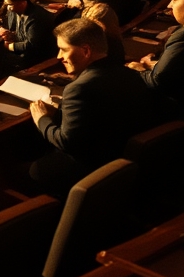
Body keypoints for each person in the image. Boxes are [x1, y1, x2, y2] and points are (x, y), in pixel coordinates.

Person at [29, 19, 153, 196]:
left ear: (86, 51)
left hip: (92, 167)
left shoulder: (78, 88)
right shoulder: (130, 73)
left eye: (63, 49)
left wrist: (41, 118)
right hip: (121, 159)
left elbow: (67, 142)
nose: (59, 56)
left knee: (34, 169)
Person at [128, 0, 184, 117]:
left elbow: (158, 82)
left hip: (180, 108)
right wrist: (155, 65)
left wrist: (138, 70)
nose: (169, 6)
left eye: (175, 0)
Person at [0, 0, 57, 65]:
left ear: (23, 2)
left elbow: (31, 45)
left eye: (10, 4)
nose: (8, 8)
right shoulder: (13, 11)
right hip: (25, 50)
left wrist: (9, 47)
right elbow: (10, 27)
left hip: (38, 56)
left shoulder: (36, 18)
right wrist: (9, 33)